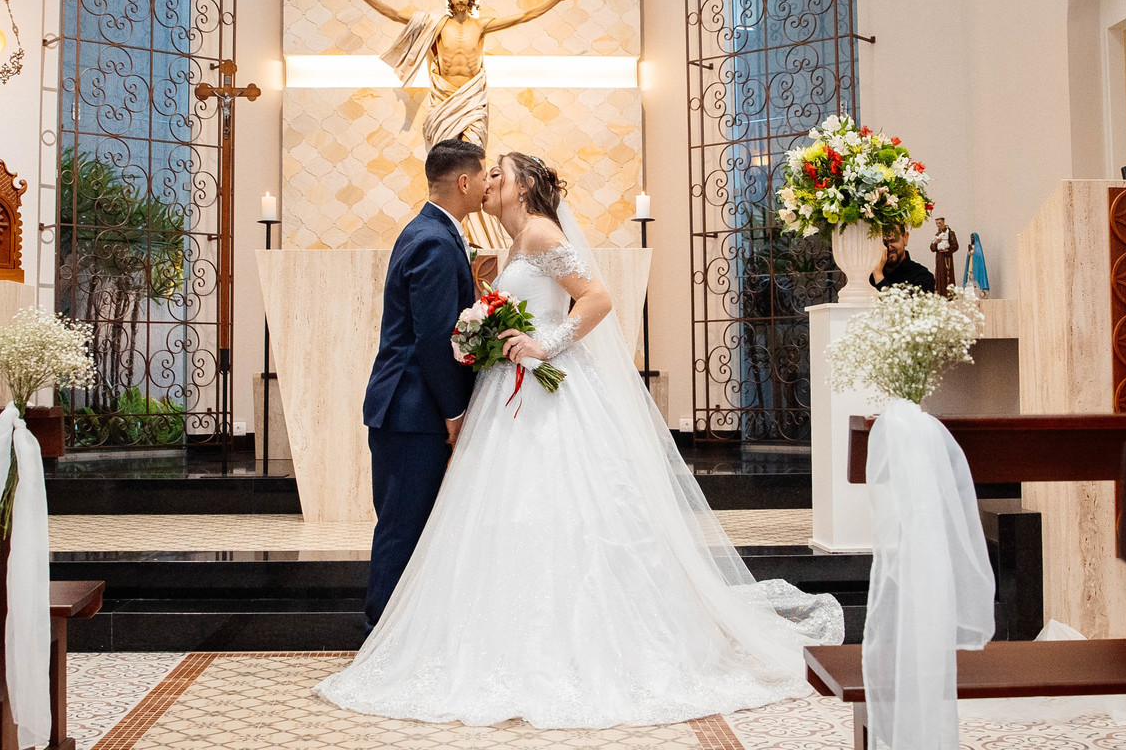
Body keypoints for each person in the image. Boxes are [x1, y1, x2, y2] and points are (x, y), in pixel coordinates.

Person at [315, 152, 844, 728]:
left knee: (558, 510)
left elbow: (596, 299)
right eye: (487, 174)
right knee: (500, 516)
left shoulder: (540, 231)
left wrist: (548, 344)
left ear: (524, 189)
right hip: (506, 395)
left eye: (502, 175)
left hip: (545, 391)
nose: (492, 182)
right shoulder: (512, 244)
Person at [360, 139, 486, 636]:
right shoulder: (434, 239)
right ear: (463, 181)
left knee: (410, 527)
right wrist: (455, 413)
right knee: (402, 529)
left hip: (408, 408)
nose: (485, 185)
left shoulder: (430, 231)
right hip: (413, 411)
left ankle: (399, 636)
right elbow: (433, 338)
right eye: (483, 175)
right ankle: (378, 637)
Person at [342, 0, 580, 150]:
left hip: (472, 96)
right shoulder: (437, 24)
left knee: (472, 152)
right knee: (445, 153)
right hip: (445, 95)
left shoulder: (480, 25)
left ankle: (473, 208)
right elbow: (394, 15)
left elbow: (524, 16)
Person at [870, 226, 936, 293]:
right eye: (883, 243)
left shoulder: (923, 276)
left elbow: (900, 303)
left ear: (905, 238)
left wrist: (878, 276)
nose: (888, 248)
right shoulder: (867, 275)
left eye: (892, 240)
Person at [929, 216, 958, 295]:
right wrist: (936, 243)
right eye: (937, 224)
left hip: (946, 258)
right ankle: (940, 294)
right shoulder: (937, 235)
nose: (938, 225)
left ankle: (949, 294)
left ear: (944, 223)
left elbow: (955, 246)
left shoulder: (950, 233)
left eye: (939, 223)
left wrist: (947, 249)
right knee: (939, 276)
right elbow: (932, 248)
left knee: (947, 276)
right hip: (939, 259)